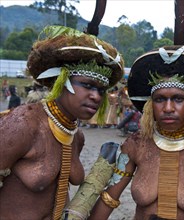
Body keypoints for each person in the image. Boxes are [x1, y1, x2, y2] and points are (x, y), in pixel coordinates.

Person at [85, 45, 184, 219]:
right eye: (160, 99)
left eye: (178, 99)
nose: (168, 108)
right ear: (150, 105)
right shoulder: (135, 145)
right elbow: (109, 197)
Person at [0, 25, 124, 219]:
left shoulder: (76, 137)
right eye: (87, 85)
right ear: (61, 80)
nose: (95, 96)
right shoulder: (24, 124)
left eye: (101, 90)